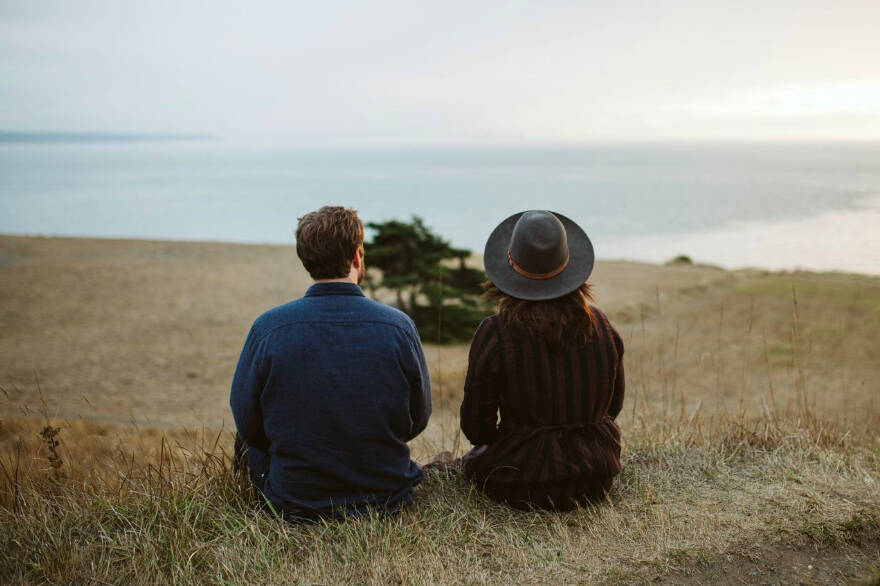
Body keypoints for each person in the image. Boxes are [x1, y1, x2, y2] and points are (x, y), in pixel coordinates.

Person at [230, 205, 431, 521]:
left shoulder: (268, 327)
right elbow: (418, 418)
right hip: (387, 496)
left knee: (246, 441)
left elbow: (248, 423)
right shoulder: (399, 326)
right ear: (356, 256)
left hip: (293, 500)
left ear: (306, 260)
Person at [457, 210, 625, 510]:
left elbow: (476, 428)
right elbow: (613, 407)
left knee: (464, 463)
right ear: (569, 264)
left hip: (519, 482)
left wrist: (516, 441)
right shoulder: (603, 325)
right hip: (596, 478)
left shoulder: (495, 332)